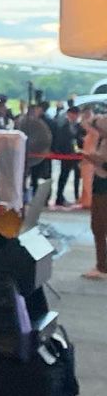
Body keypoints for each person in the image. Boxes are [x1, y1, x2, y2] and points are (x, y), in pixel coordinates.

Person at [82, 114, 107, 279]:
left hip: (104, 186)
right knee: (97, 226)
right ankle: (101, 263)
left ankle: (102, 265)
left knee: (99, 226)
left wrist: (94, 159)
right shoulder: (102, 141)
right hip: (99, 184)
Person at [15, 100, 52, 197]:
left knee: (35, 178)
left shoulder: (43, 122)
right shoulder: (22, 121)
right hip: (24, 154)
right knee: (22, 177)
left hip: (38, 154)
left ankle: (34, 196)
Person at [51, 105, 82, 206]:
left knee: (77, 177)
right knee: (63, 176)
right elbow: (59, 140)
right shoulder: (62, 126)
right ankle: (59, 197)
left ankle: (77, 197)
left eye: (77, 115)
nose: (75, 117)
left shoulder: (80, 127)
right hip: (66, 155)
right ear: (68, 114)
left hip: (77, 155)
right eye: (73, 114)